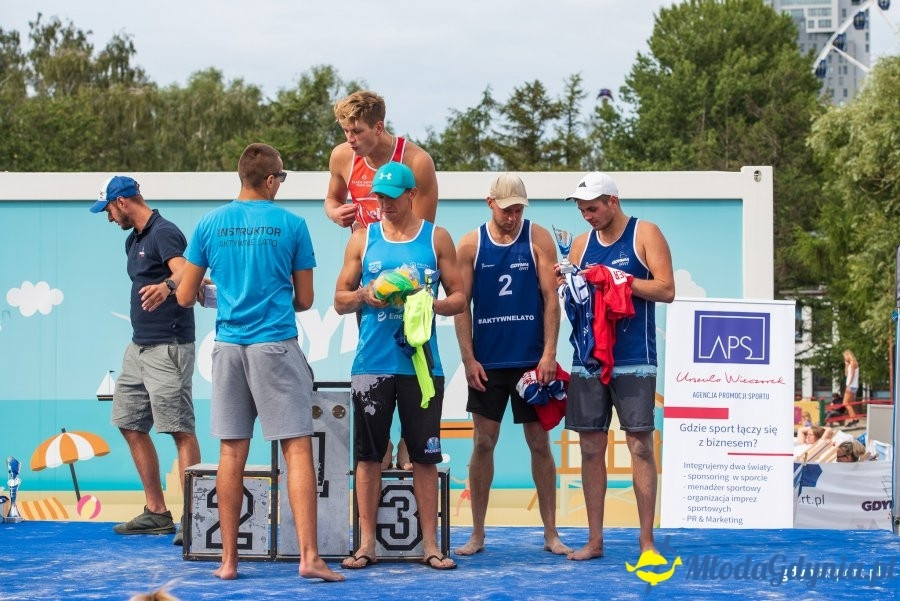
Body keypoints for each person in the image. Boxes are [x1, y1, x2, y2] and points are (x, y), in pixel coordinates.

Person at [176, 143, 342, 583]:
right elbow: (305, 300)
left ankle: (228, 562)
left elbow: (182, 295)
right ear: (270, 180)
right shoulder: (292, 225)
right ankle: (309, 557)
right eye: (282, 177)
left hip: (228, 348)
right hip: (274, 345)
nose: (281, 183)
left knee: (231, 453)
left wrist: (224, 289)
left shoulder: (210, 223)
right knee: (297, 450)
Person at [334, 161, 465, 570]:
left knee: (424, 457)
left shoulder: (436, 238)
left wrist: (429, 303)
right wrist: (365, 294)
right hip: (372, 366)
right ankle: (367, 544)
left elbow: (460, 298)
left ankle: (430, 545)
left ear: (411, 195)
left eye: (392, 197)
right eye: (379, 198)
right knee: (370, 456)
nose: (384, 205)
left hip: (422, 368)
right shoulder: (362, 238)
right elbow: (339, 299)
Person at [452, 173, 570, 556]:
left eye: (519, 209)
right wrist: (468, 358)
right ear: (490, 203)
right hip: (488, 363)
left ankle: (551, 532)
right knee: (483, 442)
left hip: (530, 363)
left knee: (540, 443)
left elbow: (552, 300)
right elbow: (460, 306)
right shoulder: (471, 244)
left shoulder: (538, 239)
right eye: (507, 210)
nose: (513, 216)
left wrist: (549, 353)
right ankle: (478, 532)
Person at [561, 172, 675, 560]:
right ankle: (595, 540)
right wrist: (570, 285)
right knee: (590, 448)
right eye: (581, 210)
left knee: (639, 446)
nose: (587, 216)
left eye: (592, 208)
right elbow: (576, 297)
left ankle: (646, 541)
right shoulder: (580, 244)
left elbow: (666, 289)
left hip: (634, 357)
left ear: (613, 201)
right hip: (589, 357)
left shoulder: (646, 233)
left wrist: (618, 280)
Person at [89, 176, 201, 546]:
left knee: (179, 429)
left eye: (106, 209)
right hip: (138, 347)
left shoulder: (164, 232)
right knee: (129, 423)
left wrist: (168, 286)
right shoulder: (132, 239)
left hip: (168, 346)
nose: (107, 217)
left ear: (121, 202)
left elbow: (188, 272)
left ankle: (194, 517)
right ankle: (157, 513)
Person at [324, 90, 438, 230]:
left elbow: (422, 231)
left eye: (357, 131)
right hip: (362, 249)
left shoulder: (417, 161)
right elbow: (332, 199)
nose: (350, 139)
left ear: (378, 128)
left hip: (403, 248)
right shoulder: (342, 156)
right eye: (346, 131)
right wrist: (335, 213)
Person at [842, 349, 860, 426]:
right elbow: (846, 374)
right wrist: (846, 365)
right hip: (853, 385)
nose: (844, 358)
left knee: (845, 403)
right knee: (850, 403)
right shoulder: (850, 364)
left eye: (845, 356)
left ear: (847, 355)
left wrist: (848, 385)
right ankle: (853, 419)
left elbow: (852, 375)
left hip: (851, 385)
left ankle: (855, 419)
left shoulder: (853, 363)